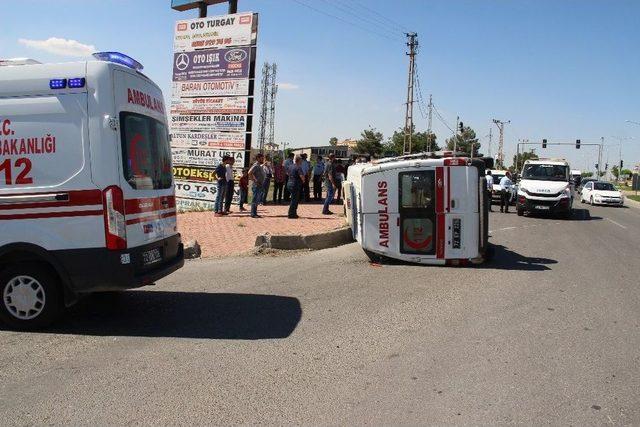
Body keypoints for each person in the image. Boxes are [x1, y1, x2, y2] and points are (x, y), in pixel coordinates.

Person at [248, 153, 265, 218]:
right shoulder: (255, 165)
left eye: (263, 158)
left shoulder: (259, 165)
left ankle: (255, 213)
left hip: (259, 185)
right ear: (258, 158)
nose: (262, 159)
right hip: (256, 185)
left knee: (257, 199)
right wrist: (255, 181)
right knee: (255, 199)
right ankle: (253, 213)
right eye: (261, 158)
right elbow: (249, 173)